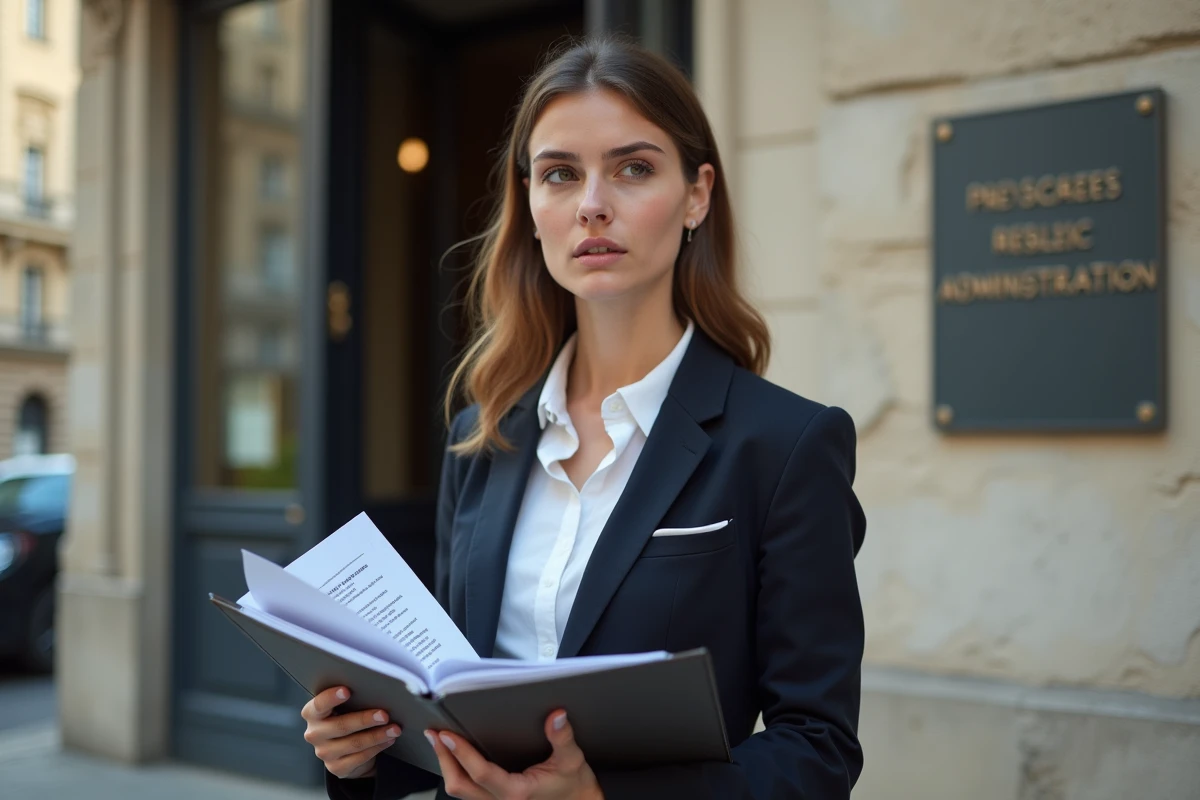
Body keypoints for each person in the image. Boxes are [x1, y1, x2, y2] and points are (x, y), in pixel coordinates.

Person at [305, 35, 866, 800]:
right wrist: (359, 753)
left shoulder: (785, 446)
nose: (592, 204)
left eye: (633, 168)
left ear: (697, 194)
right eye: (561, 174)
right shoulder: (481, 437)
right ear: (531, 206)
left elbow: (818, 750)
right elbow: (452, 707)